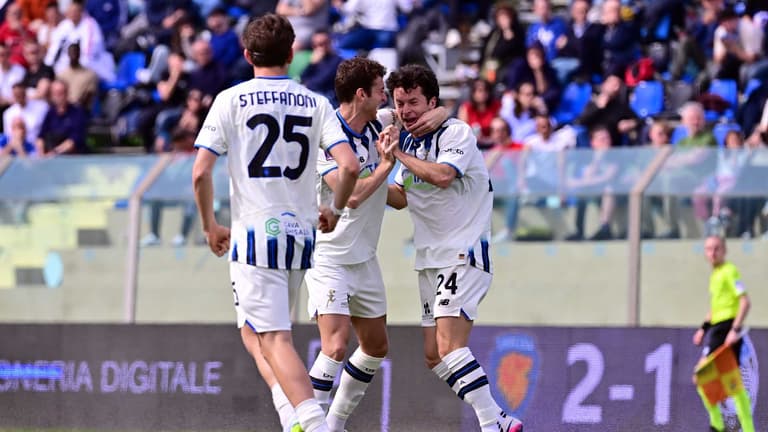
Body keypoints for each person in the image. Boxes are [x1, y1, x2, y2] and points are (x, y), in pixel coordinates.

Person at [191, 14, 359, 432]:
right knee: (254, 331)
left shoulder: (230, 100)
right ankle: (292, 417)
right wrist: (334, 210)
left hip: (253, 237)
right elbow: (350, 166)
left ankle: (312, 424)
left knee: (274, 339)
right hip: (300, 236)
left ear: (247, 55)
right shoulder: (316, 103)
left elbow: (200, 172)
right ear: (291, 53)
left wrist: (211, 226)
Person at [305, 57, 449, 431]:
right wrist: (387, 166)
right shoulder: (326, 136)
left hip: (364, 259)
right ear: (360, 94)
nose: (387, 98)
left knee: (375, 347)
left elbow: (424, 113)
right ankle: (306, 425)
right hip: (329, 257)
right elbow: (349, 195)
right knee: (335, 347)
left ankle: (333, 424)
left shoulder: (378, 123)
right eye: (380, 90)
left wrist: (442, 109)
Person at [385, 64, 523, 432]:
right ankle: (500, 418)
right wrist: (356, 183)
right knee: (435, 356)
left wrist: (395, 153)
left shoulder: (456, 131)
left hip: (463, 254)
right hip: (430, 259)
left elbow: (444, 176)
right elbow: (398, 197)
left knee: (450, 347)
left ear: (433, 100)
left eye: (413, 101)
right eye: (400, 103)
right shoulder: (411, 142)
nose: (406, 110)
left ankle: (491, 424)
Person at [692, 235, 754, 432]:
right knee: (728, 382)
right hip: (716, 330)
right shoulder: (715, 275)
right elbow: (715, 308)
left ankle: (718, 425)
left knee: (702, 376)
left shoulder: (729, 271)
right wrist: (703, 328)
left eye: (716, 248)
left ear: (724, 250)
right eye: (709, 249)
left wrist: (734, 330)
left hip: (726, 329)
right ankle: (734, 427)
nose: (712, 252)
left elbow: (744, 302)